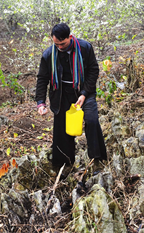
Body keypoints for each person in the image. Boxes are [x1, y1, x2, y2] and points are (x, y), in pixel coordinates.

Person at [36, 23, 107, 173]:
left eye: (62, 43)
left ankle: (97, 160)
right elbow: (42, 79)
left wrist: (84, 94)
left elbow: (93, 70)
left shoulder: (85, 48)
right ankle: (64, 166)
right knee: (62, 130)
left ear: (70, 37)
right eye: (56, 44)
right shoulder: (49, 54)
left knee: (92, 120)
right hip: (61, 94)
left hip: (84, 91)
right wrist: (41, 103)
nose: (60, 47)